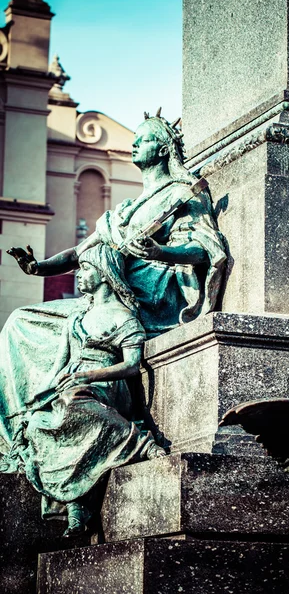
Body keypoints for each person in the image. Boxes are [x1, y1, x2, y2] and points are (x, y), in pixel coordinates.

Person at [1, 111, 226, 455]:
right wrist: (37, 267)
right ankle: (18, 428)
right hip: (107, 296)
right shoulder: (125, 209)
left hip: (146, 297)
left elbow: (205, 250)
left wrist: (160, 250)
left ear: (164, 149)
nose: (135, 144)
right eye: (134, 139)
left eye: (145, 139)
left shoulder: (183, 194)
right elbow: (80, 252)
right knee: (18, 321)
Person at [1, 243, 165, 537]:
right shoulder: (79, 317)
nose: (79, 274)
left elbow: (131, 364)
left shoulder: (122, 316)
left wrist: (87, 375)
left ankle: (140, 442)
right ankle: (75, 511)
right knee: (39, 422)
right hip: (76, 387)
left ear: (103, 274)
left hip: (105, 385)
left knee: (73, 402)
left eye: (85, 268)